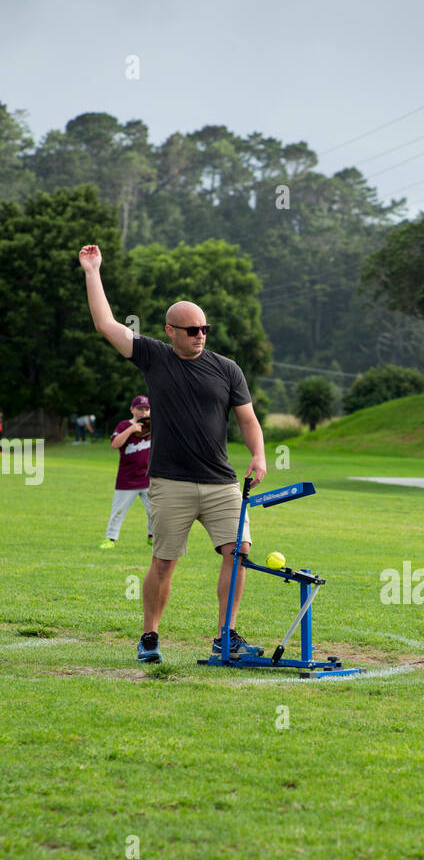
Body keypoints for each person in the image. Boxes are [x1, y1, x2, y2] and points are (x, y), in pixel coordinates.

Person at [78, 243, 267, 665]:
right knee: (164, 562)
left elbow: (248, 420)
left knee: (239, 553)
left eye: (204, 329)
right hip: (169, 482)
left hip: (222, 483)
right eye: (191, 330)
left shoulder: (227, 369)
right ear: (170, 331)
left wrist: (259, 456)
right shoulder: (154, 357)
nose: (200, 335)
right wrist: (93, 271)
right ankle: (149, 636)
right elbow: (107, 324)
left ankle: (225, 635)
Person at [100, 396, 153, 549]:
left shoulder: (153, 426)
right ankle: (110, 539)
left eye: (146, 409)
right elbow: (115, 444)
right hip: (127, 478)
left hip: (148, 478)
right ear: (132, 409)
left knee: (153, 511)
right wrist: (131, 429)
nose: (143, 412)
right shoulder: (124, 425)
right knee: (118, 511)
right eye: (140, 409)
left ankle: (152, 536)